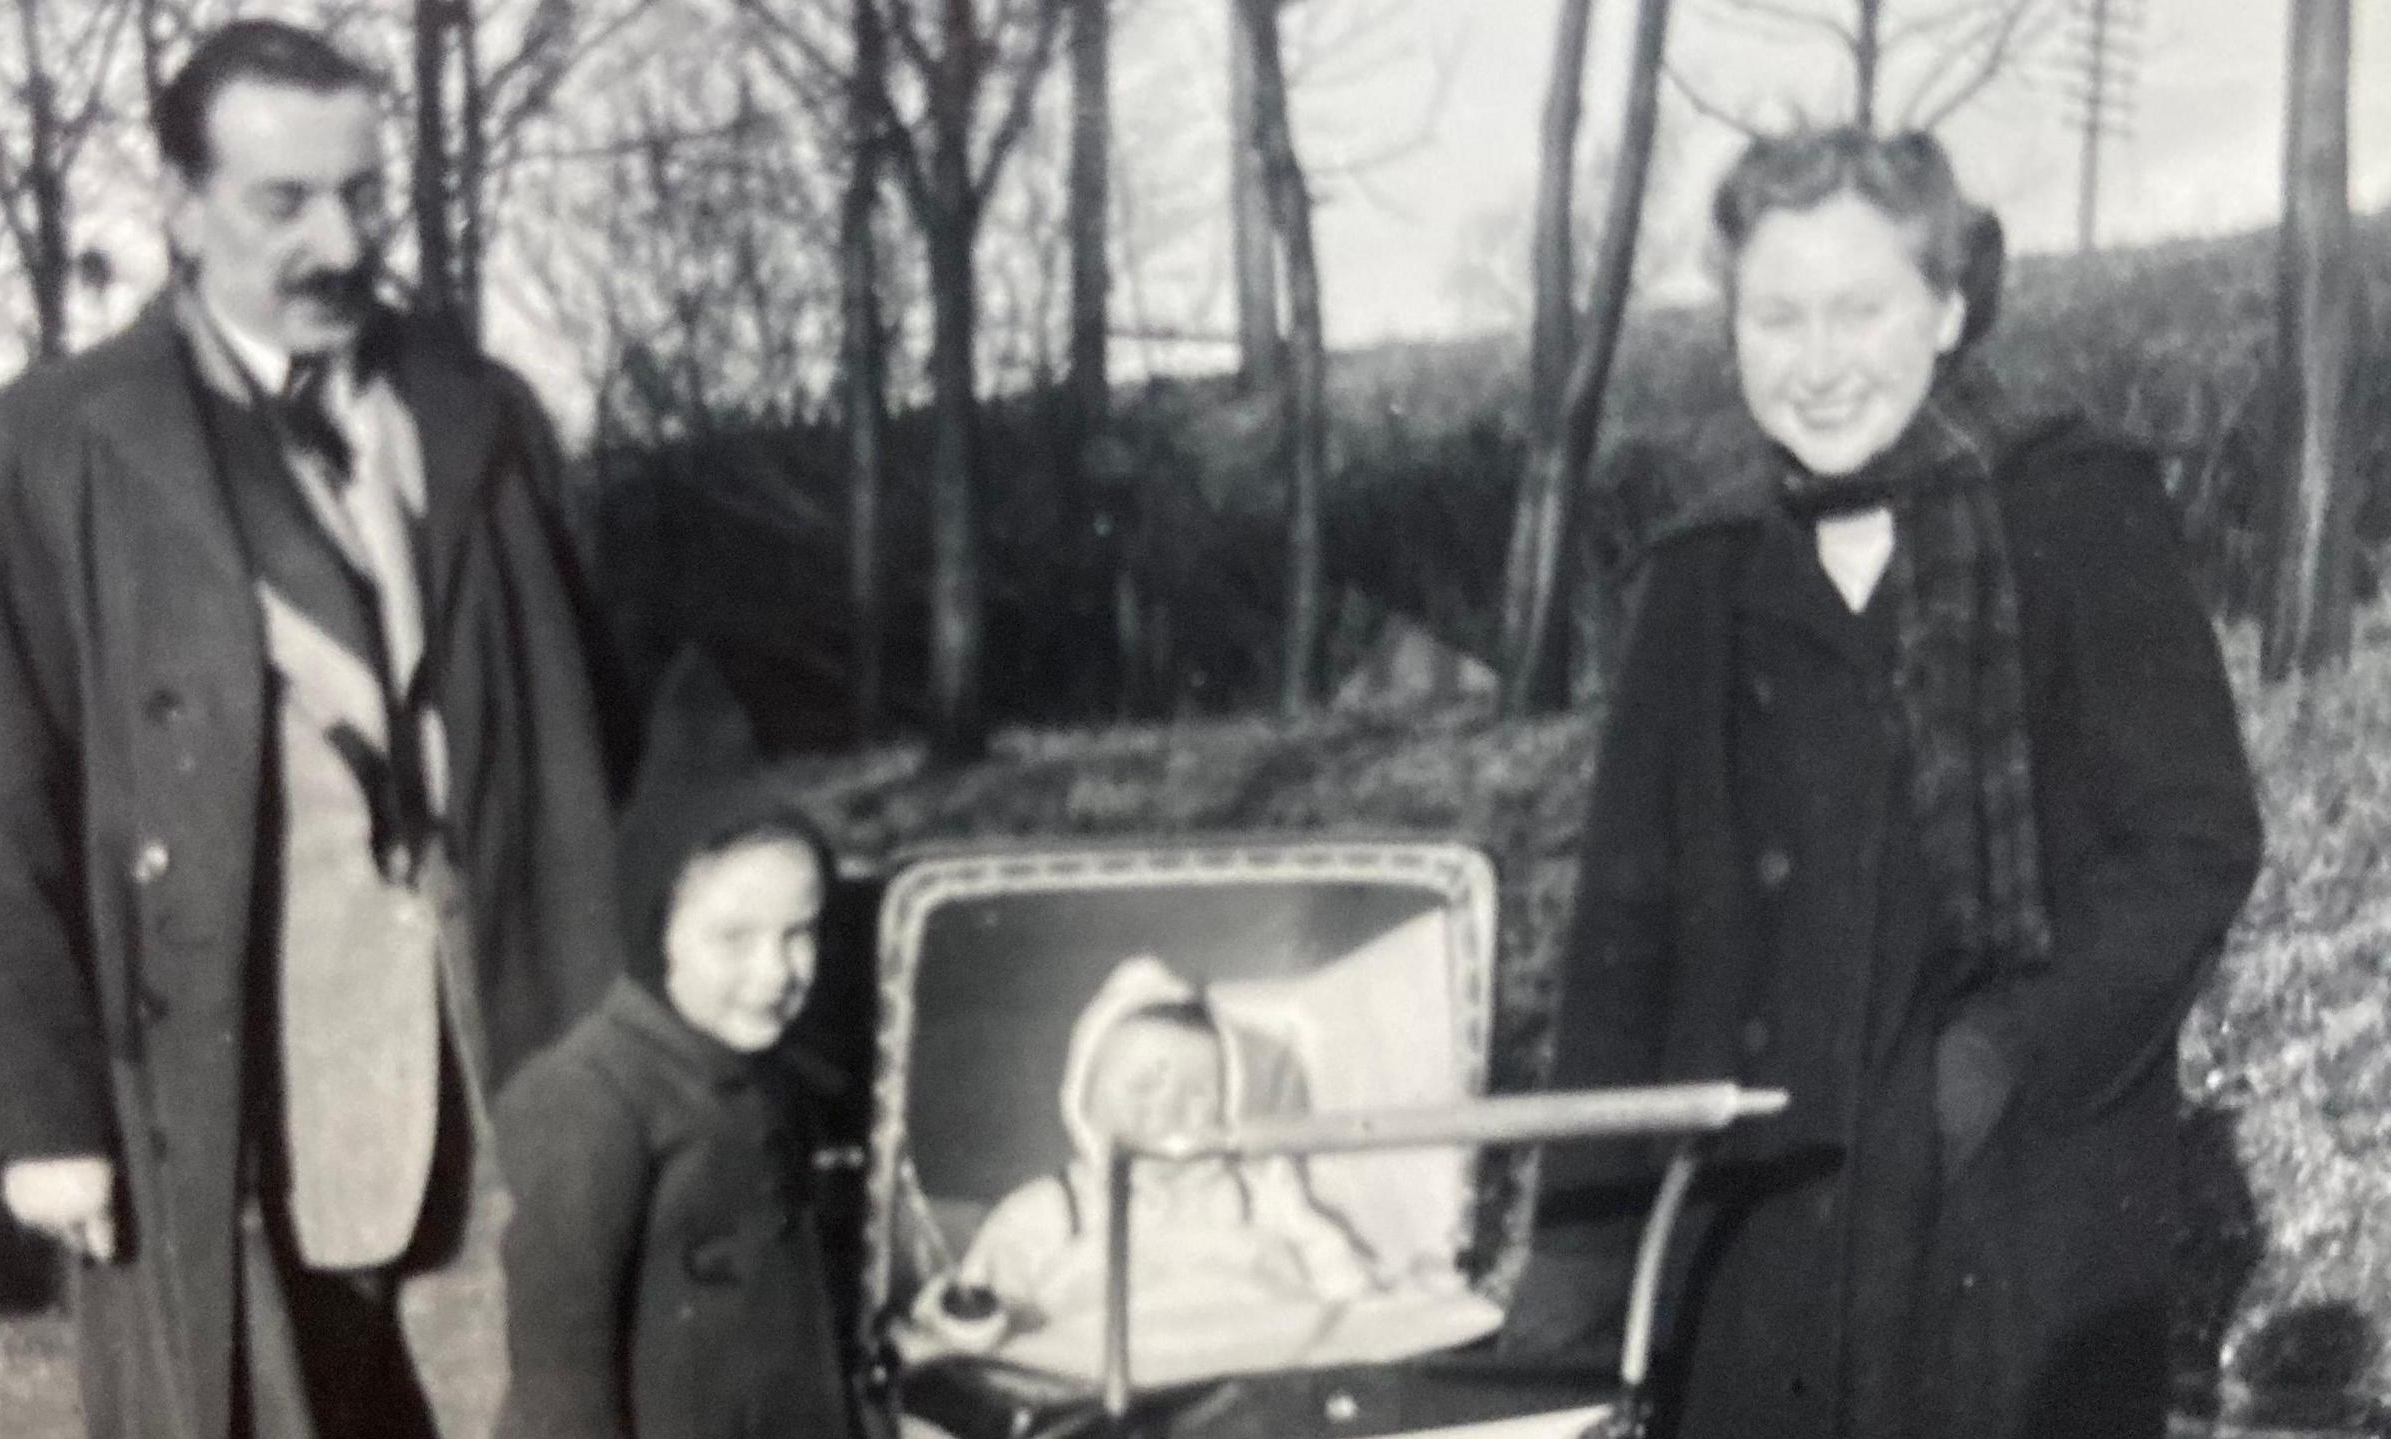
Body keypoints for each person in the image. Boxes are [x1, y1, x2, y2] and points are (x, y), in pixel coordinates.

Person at [0, 19, 623, 1439]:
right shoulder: (55, 447)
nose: (339, 237)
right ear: (180, 209)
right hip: (229, 1075)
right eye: (282, 200)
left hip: (503, 1050)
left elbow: (587, 735)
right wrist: (45, 1115)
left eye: (364, 194)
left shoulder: (479, 415)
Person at [1519, 127, 2262, 1439]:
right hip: (1754, 1219)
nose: (1819, 361)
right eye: (1778, 315)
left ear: (1951, 303)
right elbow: (1622, 943)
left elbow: (2192, 841)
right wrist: (1577, 1262)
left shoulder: (2074, 511)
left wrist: (2001, 1052)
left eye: (1861, 309)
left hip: (2020, 1203)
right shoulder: (1699, 578)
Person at [490, 673, 852, 1439]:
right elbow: (560, 1361)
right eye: (734, 938)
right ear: (655, 933)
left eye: (801, 932)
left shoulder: (772, 1077)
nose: (778, 971)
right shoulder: (593, 1095)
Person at [919, 955, 1375, 1350]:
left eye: (1200, 1095)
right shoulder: (1055, 1207)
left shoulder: (1261, 1191)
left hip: (1256, 1355)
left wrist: (1364, 1317)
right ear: (1082, 1097)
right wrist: (977, 1315)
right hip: (1121, 1373)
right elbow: (982, 1296)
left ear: (1229, 1109)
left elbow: (1337, 1272)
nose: (1170, 1110)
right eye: (1142, 1086)